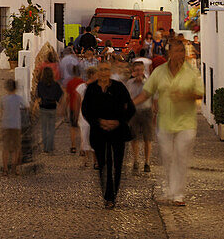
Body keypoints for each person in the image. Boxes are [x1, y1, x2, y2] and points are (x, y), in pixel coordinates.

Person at [133, 38, 204, 205]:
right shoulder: (159, 72)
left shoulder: (191, 72)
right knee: (167, 156)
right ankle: (170, 190)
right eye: (177, 51)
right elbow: (147, 92)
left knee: (180, 155)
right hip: (165, 122)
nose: (180, 54)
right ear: (169, 54)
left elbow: (200, 93)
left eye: (182, 51)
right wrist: (130, 104)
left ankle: (177, 194)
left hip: (186, 123)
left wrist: (185, 95)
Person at [82, 62, 136, 208]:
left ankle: (112, 195)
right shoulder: (92, 89)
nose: (104, 72)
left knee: (117, 164)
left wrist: (118, 122)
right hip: (99, 132)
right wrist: (99, 122)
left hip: (117, 132)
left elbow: (130, 108)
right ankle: (107, 195)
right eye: (101, 70)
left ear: (110, 71)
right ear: (98, 72)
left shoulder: (118, 88)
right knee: (104, 164)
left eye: (106, 69)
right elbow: (85, 110)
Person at [125, 59, 154, 172]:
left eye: (140, 70)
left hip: (146, 112)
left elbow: (150, 96)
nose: (139, 72)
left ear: (143, 70)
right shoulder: (129, 84)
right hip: (134, 113)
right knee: (134, 138)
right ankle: (135, 160)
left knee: (148, 138)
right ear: (133, 71)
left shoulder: (148, 83)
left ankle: (147, 162)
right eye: (136, 70)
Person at [35, 67, 63, 153]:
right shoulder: (56, 85)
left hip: (43, 107)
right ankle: (50, 147)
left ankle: (45, 147)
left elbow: (38, 95)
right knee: (51, 128)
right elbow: (60, 97)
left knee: (44, 128)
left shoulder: (40, 84)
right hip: (52, 107)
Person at [1, 78, 24, 176]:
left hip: (6, 125)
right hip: (16, 125)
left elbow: (1, 110)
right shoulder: (19, 98)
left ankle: (5, 169)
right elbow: (26, 107)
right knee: (16, 148)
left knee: (5, 148)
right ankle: (14, 168)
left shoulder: (4, 99)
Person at [64, 64, 84, 154]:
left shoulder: (70, 83)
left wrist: (65, 107)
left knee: (73, 127)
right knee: (81, 128)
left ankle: (73, 146)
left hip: (72, 107)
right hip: (81, 108)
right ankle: (82, 148)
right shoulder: (83, 83)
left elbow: (67, 96)